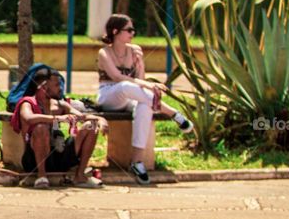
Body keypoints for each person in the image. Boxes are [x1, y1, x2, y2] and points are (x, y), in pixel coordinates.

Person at [96, 14, 193, 185]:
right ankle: (173, 113)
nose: (132, 33)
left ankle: (137, 162)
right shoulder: (104, 52)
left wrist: (140, 65)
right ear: (115, 31)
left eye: (133, 29)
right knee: (126, 87)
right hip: (109, 95)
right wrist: (148, 86)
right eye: (129, 30)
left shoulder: (134, 50)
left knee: (145, 107)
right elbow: (117, 77)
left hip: (130, 95)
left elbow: (140, 82)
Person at [12, 66, 106, 189]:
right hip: (34, 161)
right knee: (40, 127)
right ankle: (41, 176)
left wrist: (100, 119)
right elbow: (29, 118)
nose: (60, 88)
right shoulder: (28, 102)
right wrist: (57, 119)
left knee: (90, 126)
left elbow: (81, 116)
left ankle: (80, 175)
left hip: (59, 156)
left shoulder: (60, 104)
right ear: (43, 86)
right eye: (56, 85)